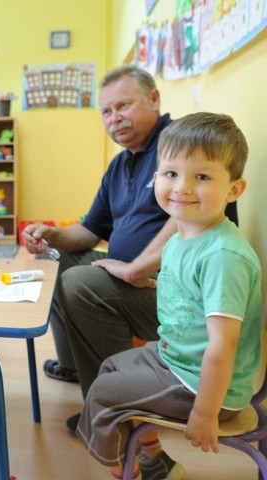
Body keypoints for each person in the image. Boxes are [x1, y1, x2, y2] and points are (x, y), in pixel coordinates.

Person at [23, 66, 238, 431]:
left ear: (154, 99)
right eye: (106, 112)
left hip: (171, 286)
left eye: (123, 105)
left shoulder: (182, 145)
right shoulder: (120, 164)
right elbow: (91, 231)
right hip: (129, 272)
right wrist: (51, 235)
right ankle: (77, 365)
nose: (114, 117)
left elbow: (189, 215)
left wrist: (137, 267)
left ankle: (111, 411)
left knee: (80, 283)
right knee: (57, 260)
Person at [77, 112, 262, 480]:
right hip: (174, 358)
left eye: (202, 177)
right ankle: (152, 459)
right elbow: (190, 293)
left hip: (204, 386)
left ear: (234, 190)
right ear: (156, 178)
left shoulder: (223, 256)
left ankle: (121, 467)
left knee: (103, 395)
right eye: (171, 174)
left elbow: (222, 348)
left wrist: (206, 413)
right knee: (110, 366)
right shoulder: (183, 233)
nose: (182, 188)